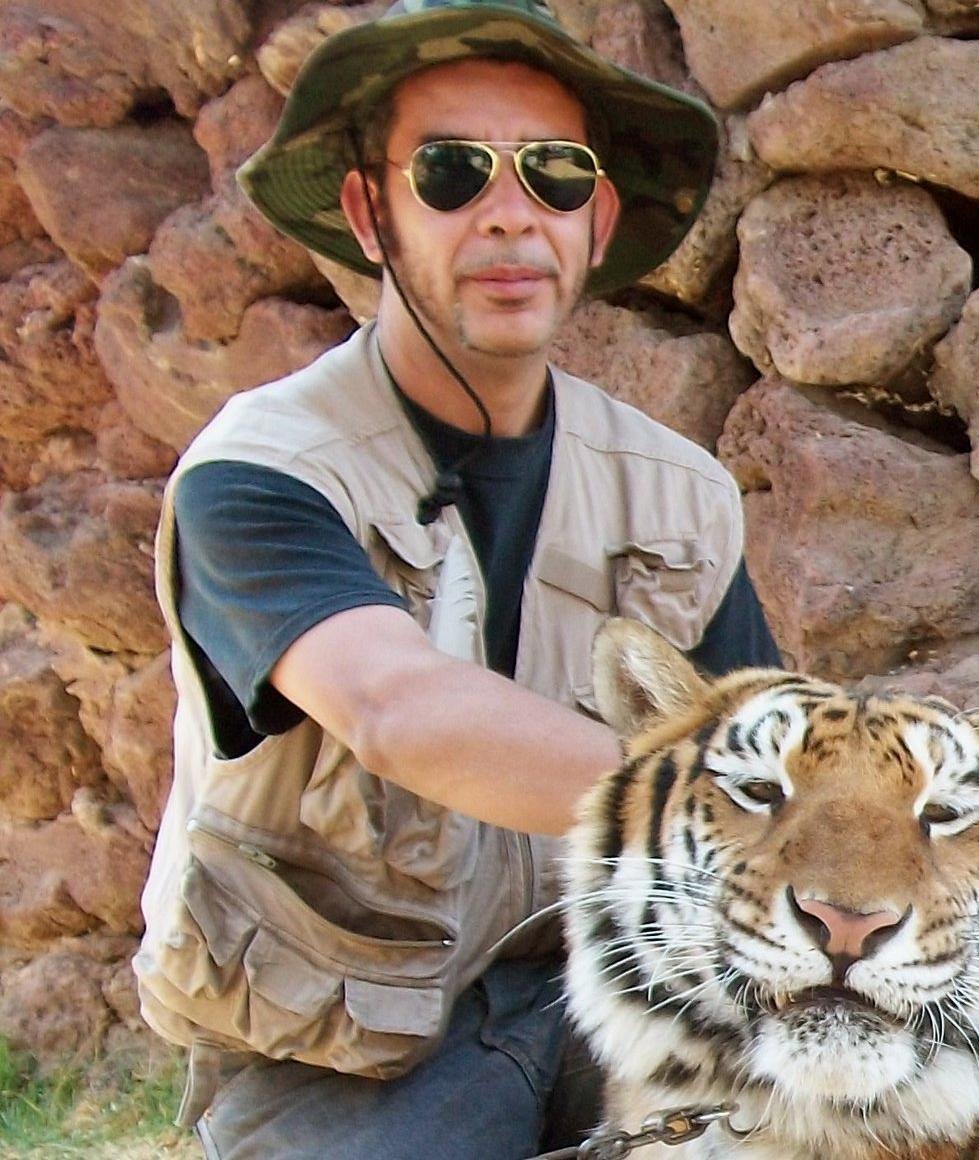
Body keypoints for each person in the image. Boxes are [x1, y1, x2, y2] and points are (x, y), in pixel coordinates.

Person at [132, 2, 780, 1158]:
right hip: (346, 1049)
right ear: (366, 213)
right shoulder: (259, 472)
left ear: (598, 220)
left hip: (610, 991)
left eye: (554, 176)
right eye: (450, 173)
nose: (509, 216)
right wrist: (748, 815)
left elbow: (769, 735)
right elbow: (398, 710)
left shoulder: (681, 494)